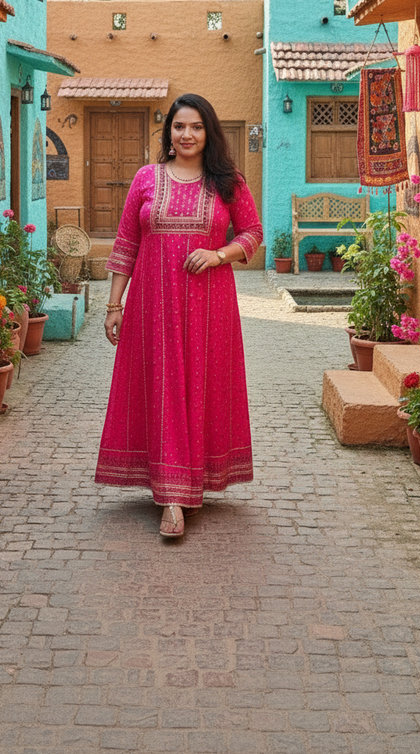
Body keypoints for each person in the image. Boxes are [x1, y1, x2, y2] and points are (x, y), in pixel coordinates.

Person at [95, 94, 263, 538]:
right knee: (163, 388)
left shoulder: (228, 182)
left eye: (196, 127)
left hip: (210, 308)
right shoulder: (146, 178)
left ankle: (193, 481)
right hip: (153, 306)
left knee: (201, 388)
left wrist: (218, 253)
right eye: (178, 127)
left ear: (209, 133)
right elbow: (126, 241)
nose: (186, 135)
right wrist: (115, 305)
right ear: (168, 132)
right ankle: (171, 496)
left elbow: (253, 233)